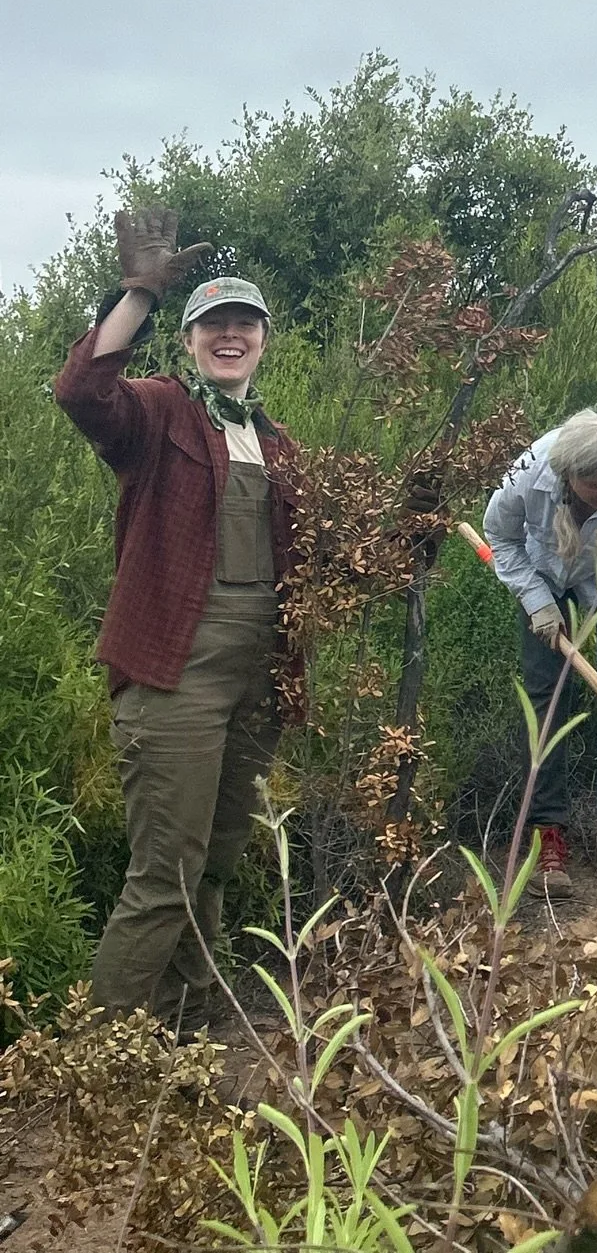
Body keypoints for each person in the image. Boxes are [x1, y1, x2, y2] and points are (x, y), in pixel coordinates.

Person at [54, 208, 297, 1034]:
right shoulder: (158, 412)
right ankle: (100, 1066)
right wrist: (138, 294)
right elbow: (82, 391)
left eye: (245, 323)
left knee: (214, 868)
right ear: (190, 339)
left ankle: (184, 1034)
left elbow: (325, 560)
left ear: (263, 339)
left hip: (257, 685)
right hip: (173, 678)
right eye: (213, 324)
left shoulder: (279, 443)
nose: (231, 335)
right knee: (165, 875)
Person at [483, 409, 597, 898]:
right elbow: (499, 534)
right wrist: (536, 600)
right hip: (542, 576)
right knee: (546, 698)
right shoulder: (529, 473)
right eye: (596, 487)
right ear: (568, 476)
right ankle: (547, 832)